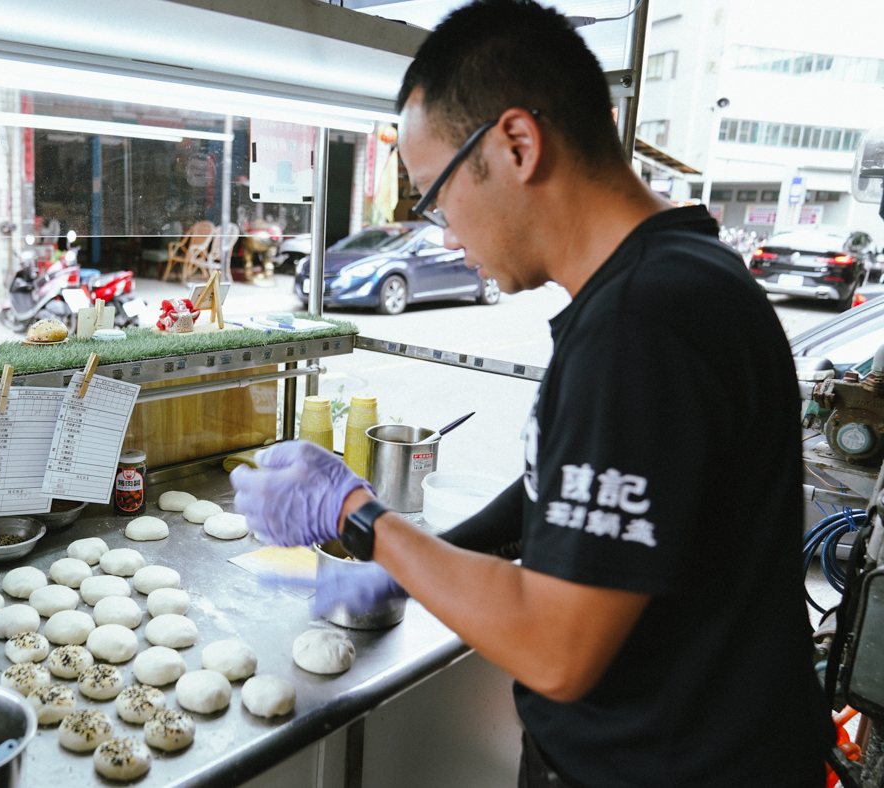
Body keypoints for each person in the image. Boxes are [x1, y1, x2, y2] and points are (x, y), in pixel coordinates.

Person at [230, 1, 834, 786]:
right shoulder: (681, 274)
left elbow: (556, 650)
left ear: (516, 144)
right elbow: (567, 489)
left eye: (435, 193)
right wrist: (419, 559)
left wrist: (363, 519)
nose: (444, 233)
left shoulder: (642, 322)